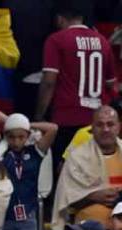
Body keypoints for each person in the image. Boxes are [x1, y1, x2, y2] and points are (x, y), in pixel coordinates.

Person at [35, 2, 118, 160]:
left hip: (66, 117)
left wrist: (39, 115)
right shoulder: (103, 41)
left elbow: (49, 82)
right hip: (97, 120)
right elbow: (110, 83)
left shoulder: (56, 40)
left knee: (65, 170)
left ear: (59, 19)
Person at [0, 113, 58, 230]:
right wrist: (11, 122)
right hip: (2, 220)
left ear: (28, 136)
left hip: (27, 218)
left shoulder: (35, 152)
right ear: (6, 136)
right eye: (12, 137)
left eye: (21, 136)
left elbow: (53, 128)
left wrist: (27, 123)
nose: (16, 141)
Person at [52, 105, 122, 230]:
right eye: (100, 125)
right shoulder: (77, 157)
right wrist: (92, 197)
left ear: (118, 127)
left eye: (110, 124)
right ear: (92, 129)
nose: (105, 129)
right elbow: (65, 200)